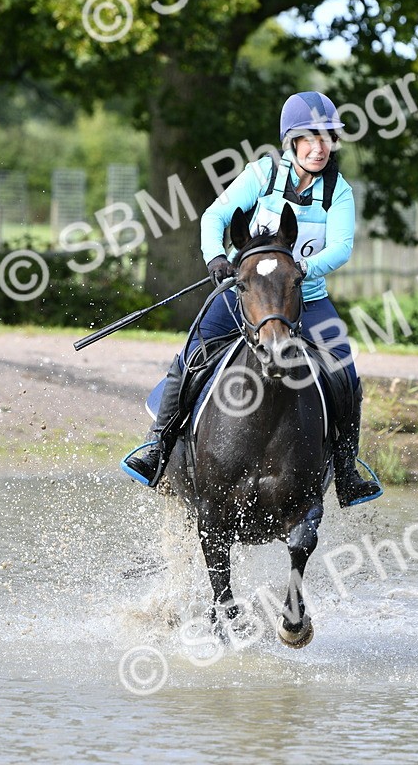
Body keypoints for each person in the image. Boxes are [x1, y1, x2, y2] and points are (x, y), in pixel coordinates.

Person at [123, 90, 383, 507]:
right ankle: (157, 445)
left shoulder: (339, 191)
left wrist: (301, 272)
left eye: (327, 139)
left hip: (305, 300)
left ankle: (347, 468)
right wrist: (216, 258)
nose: (319, 148)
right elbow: (215, 216)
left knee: (346, 374)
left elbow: (342, 247)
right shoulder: (262, 174)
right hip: (245, 295)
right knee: (193, 354)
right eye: (310, 139)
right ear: (292, 141)